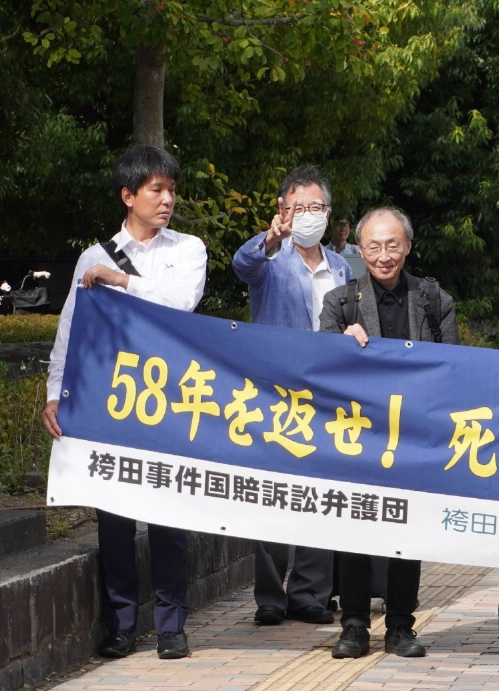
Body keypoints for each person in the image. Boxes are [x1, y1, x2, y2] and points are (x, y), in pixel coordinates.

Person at [41, 146, 208, 660]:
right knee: (112, 515)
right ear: (128, 195)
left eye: (171, 190)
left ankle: (171, 624)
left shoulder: (188, 249)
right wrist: (54, 392)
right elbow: (72, 327)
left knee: (168, 512)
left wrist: (124, 281)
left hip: (169, 398)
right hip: (110, 400)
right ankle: (119, 625)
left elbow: (183, 302)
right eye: (156, 190)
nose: (167, 200)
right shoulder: (92, 257)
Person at [320, 207, 459, 658]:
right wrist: (341, 345)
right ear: (360, 250)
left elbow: (453, 367)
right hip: (357, 434)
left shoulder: (434, 299)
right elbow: (319, 367)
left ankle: (401, 625)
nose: (384, 255)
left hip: (414, 433)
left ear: (408, 247)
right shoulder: (340, 303)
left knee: (406, 529)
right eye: (374, 246)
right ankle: (355, 625)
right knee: (354, 528)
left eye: (393, 244)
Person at [232, 164, 351, 626]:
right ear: (282, 211)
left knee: (321, 493)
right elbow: (242, 265)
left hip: (327, 396)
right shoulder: (270, 259)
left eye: (315, 207)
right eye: (297, 207)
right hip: (273, 394)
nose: (307, 215)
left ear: (329, 212)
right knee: (270, 495)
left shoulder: (341, 265)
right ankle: (269, 596)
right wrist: (269, 239)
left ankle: (309, 595)